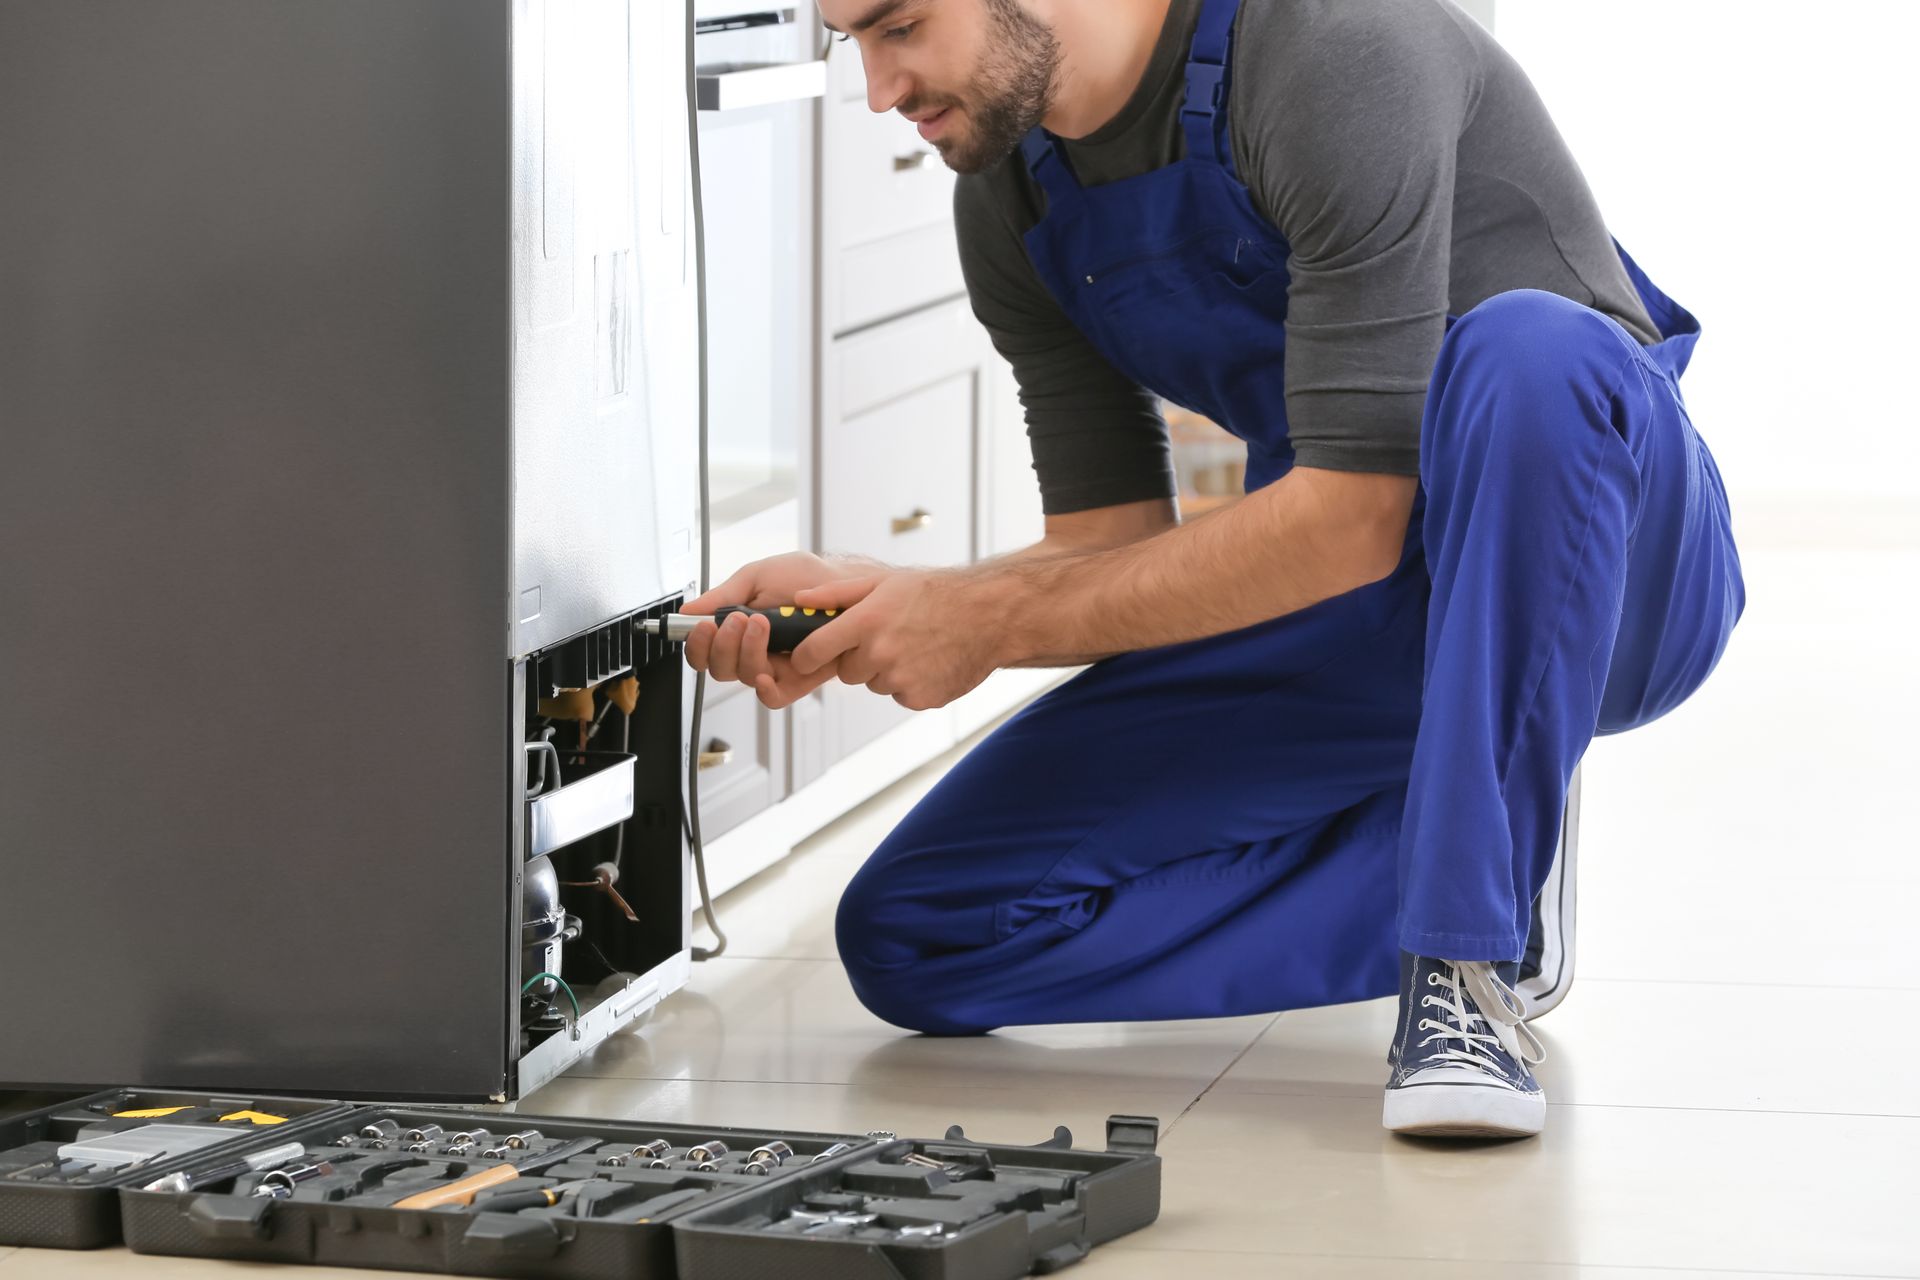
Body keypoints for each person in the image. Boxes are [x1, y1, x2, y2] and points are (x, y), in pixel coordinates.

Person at [681, 0, 1745, 1139]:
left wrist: (981, 619)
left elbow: (1349, 517)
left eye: (899, 26)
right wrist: (894, 601)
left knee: (1527, 347)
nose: (879, 91)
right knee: (922, 930)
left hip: (1613, 569)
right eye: (855, 43)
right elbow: (1113, 547)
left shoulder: (1337, 47)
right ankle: (1483, 851)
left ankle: (1466, 955)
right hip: (1352, 606)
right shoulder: (1011, 196)